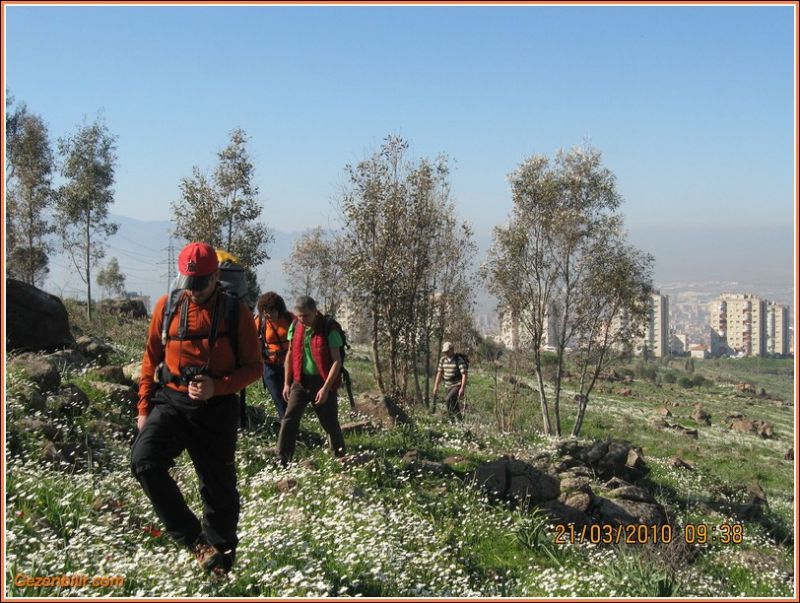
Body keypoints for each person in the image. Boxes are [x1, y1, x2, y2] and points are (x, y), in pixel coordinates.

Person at [130, 242, 261, 577]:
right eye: (189, 283)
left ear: (215, 276)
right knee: (144, 460)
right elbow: (150, 360)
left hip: (216, 408)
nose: (194, 292)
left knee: (219, 491)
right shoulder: (168, 306)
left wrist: (218, 386)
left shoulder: (237, 313)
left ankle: (222, 566)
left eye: (201, 284)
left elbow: (254, 367)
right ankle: (195, 541)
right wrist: (144, 408)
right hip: (171, 402)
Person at [277, 295, 346, 465]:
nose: (302, 320)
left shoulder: (330, 328)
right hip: (300, 383)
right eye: (299, 316)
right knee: (289, 420)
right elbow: (290, 354)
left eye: (306, 316)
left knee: (330, 423)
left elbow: (337, 361)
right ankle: (282, 460)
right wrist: (287, 383)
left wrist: (326, 388)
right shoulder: (295, 326)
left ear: (315, 312)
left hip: (322, 383)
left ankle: (340, 459)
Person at [255, 292, 295, 420]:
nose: (269, 315)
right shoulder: (259, 321)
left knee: (292, 400)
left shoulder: (290, 319)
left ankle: (292, 426)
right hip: (270, 367)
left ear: (279, 310)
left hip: (291, 366)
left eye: (272, 312)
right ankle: (286, 428)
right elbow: (250, 340)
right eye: (266, 312)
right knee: (279, 399)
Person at [432, 341, 468, 419]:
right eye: (445, 352)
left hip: (457, 384)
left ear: (452, 350)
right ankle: (458, 421)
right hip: (447, 386)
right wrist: (436, 386)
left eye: (447, 351)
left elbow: (464, 375)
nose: (446, 353)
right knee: (453, 404)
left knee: (448, 400)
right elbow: (439, 373)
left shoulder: (458, 360)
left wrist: (462, 388)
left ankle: (451, 420)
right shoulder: (443, 360)